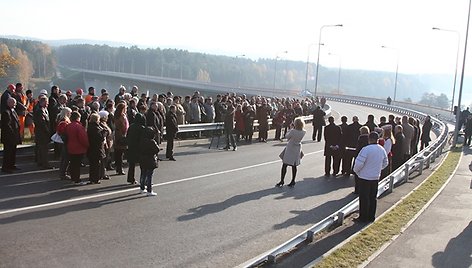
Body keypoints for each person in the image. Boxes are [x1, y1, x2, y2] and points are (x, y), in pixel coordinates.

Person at [353, 131, 388, 223]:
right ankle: (371, 216)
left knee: (364, 198)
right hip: (375, 177)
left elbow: (359, 164)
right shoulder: (381, 149)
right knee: (373, 197)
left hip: (364, 177)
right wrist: (378, 169)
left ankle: (363, 217)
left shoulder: (366, 149)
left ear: (369, 139)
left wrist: (357, 172)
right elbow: (385, 162)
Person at [275, 117, 306, 187]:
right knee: (294, 165)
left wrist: (290, 128)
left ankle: (282, 180)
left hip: (291, 147)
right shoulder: (303, 131)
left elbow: (287, 136)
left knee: (285, 164)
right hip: (297, 147)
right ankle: (293, 180)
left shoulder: (293, 131)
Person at [65, 111, 89, 184]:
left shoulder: (68, 126)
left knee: (73, 163)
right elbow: (83, 138)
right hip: (78, 148)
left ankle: (73, 178)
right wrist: (87, 145)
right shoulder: (79, 127)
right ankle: (76, 179)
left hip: (70, 146)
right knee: (77, 165)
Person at [1, 98, 21, 172]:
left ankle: (12, 165)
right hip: (9, 137)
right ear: (9, 103)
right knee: (8, 153)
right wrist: (12, 133)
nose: (15, 104)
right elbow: (7, 125)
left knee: (13, 151)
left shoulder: (13, 111)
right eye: (14, 103)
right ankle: (6, 167)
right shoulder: (6, 112)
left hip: (14, 136)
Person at [87, 113, 108, 184]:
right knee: (96, 164)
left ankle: (92, 178)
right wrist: (104, 134)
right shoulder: (96, 128)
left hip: (91, 148)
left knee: (92, 164)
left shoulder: (90, 127)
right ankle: (95, 178)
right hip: (97, 148)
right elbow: (99, 138)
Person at [139, 127, 160, 196]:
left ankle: (142, 188)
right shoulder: (152, 142)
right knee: (149, 175)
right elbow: (157, 149)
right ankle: (149, 190)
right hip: (150, 159)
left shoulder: (141, 140)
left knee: (143, 174)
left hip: (142, 158)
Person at [126, 113, 146, 184]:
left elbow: (127, 136)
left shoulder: (131, 126)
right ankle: (143, 180)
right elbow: (143, 139)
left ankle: (131, 178)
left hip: (131, 147)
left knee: (132, 165)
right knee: (143, 165)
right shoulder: (142, 128)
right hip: (139, 148)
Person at [33, 95, 52, 169]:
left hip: (43, 133)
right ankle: (45, 164)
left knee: (42, 149)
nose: (47, 104)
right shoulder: (39, 111)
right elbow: (42, 123)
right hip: (42, 133)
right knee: (44, 149)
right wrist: (48, 131)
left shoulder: (44, 109)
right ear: (42, 102)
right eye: (46, 102)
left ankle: (41, 162)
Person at [56, 107, 72, 180]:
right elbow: (63, 132)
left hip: (64, 142)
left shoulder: (62, 120)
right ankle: (63, 174)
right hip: (65, 142)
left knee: (64, 158)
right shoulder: (64, 121)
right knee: (65, 158)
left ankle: (63, 173)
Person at [113, 102, 129, 175]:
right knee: (120, 153)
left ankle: (118, 167)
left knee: (118, 153)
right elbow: (124, 127)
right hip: (121, 135)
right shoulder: (121, 116)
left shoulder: (117, 115)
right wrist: (125, 134)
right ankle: (119, 168)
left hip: (117, 135)